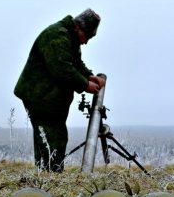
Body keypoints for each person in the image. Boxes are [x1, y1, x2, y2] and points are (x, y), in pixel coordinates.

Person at [14, 9, 105, 172]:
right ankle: (49, 177)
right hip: (39, 98)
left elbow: (75, 63)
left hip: (51, 100)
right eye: (88, 37)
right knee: (49, 139)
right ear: (79, 28)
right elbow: (62, 69)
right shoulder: (56, 36)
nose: (86, 42)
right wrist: (86, 85)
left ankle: (49, 175)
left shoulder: (70, 38)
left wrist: (90, 76)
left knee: (56, 137)